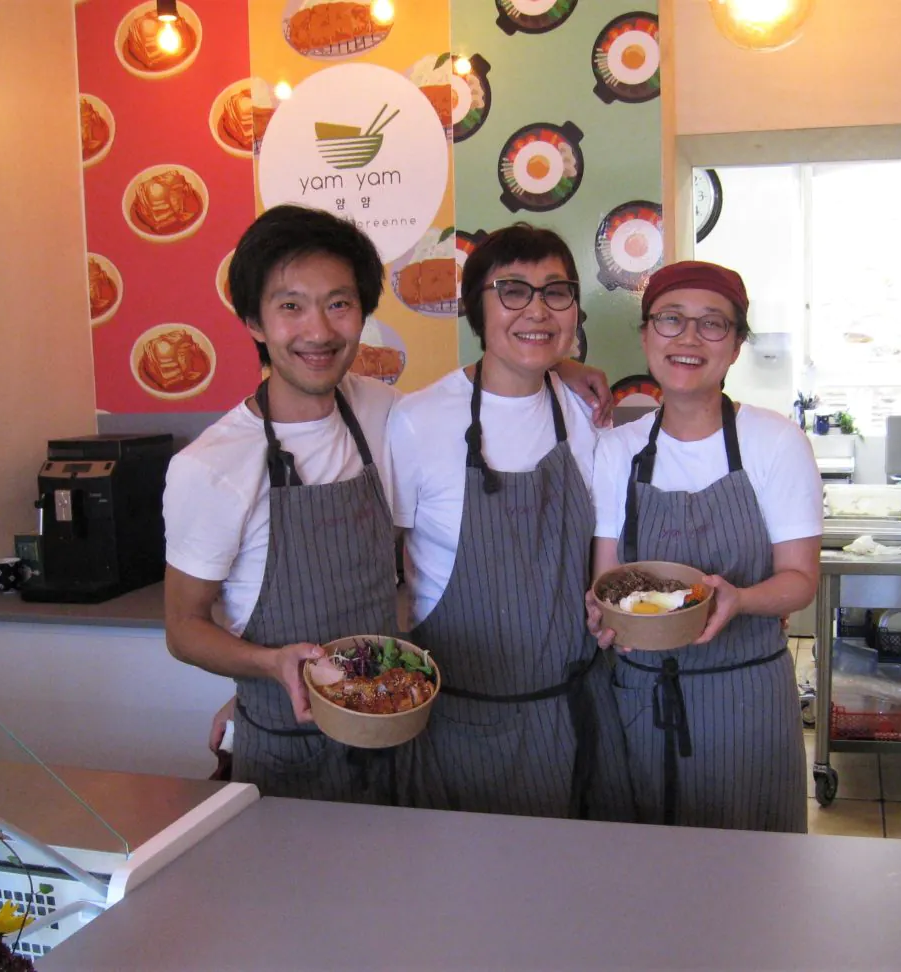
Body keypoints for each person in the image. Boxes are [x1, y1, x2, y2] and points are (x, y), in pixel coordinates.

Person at [169, 205, 614, 799]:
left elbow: (500, 384)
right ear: (254, 320)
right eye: (291, 306)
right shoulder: (211, 465)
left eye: (339, 304)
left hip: (397, 726)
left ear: (361, 313)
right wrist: (263, 669)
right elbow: (184, 628)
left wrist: (558, 362)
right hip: (289, 739)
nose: (319, 331)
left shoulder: (382, 413)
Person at [388, 224, 630, 820]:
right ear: (477, 307)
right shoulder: (417, 421)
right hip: (458, 722)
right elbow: (382, 573)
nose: (537, 311)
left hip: (573, 713)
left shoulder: (585, 412)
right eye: (513, 291)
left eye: (556, 292)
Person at [587, 260, 822, 833]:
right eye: (670, 319)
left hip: (746, 697)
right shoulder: (617, 449)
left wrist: (740, 600)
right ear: (646, 335)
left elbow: (800, 580)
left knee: (750, 867)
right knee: (645, 865)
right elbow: (607, 578)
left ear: (736, 346)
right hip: (642, 694)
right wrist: (602, 615)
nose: (689, 338)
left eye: (712, 323)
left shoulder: (776, 442)